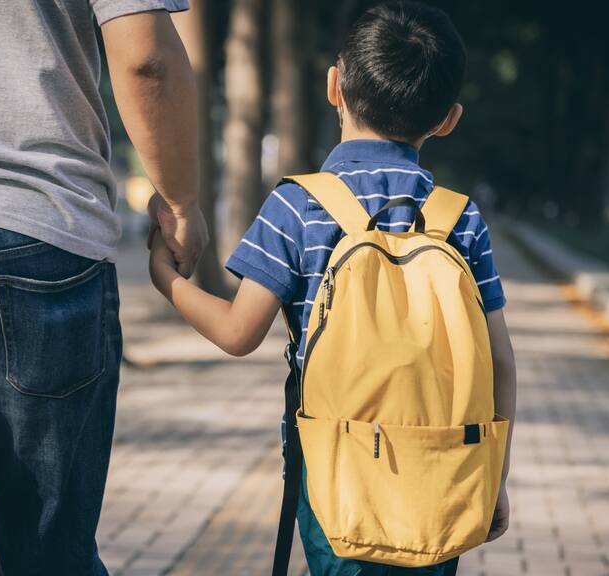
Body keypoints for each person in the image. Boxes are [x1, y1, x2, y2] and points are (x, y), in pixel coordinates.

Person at [149, 1, 516, 574]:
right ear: (448, 118)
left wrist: (166, 280)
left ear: (334, 86)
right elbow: (499, 362)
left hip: (336, 472)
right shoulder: (460, 218)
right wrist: (493, 476)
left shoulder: (299, 204)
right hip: (447, 472)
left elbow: (239, 332)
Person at [0, 2, 208, 574]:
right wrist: (181, 203)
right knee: (49, 555)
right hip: (40, 226)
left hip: (38, 230)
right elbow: (146, 57)